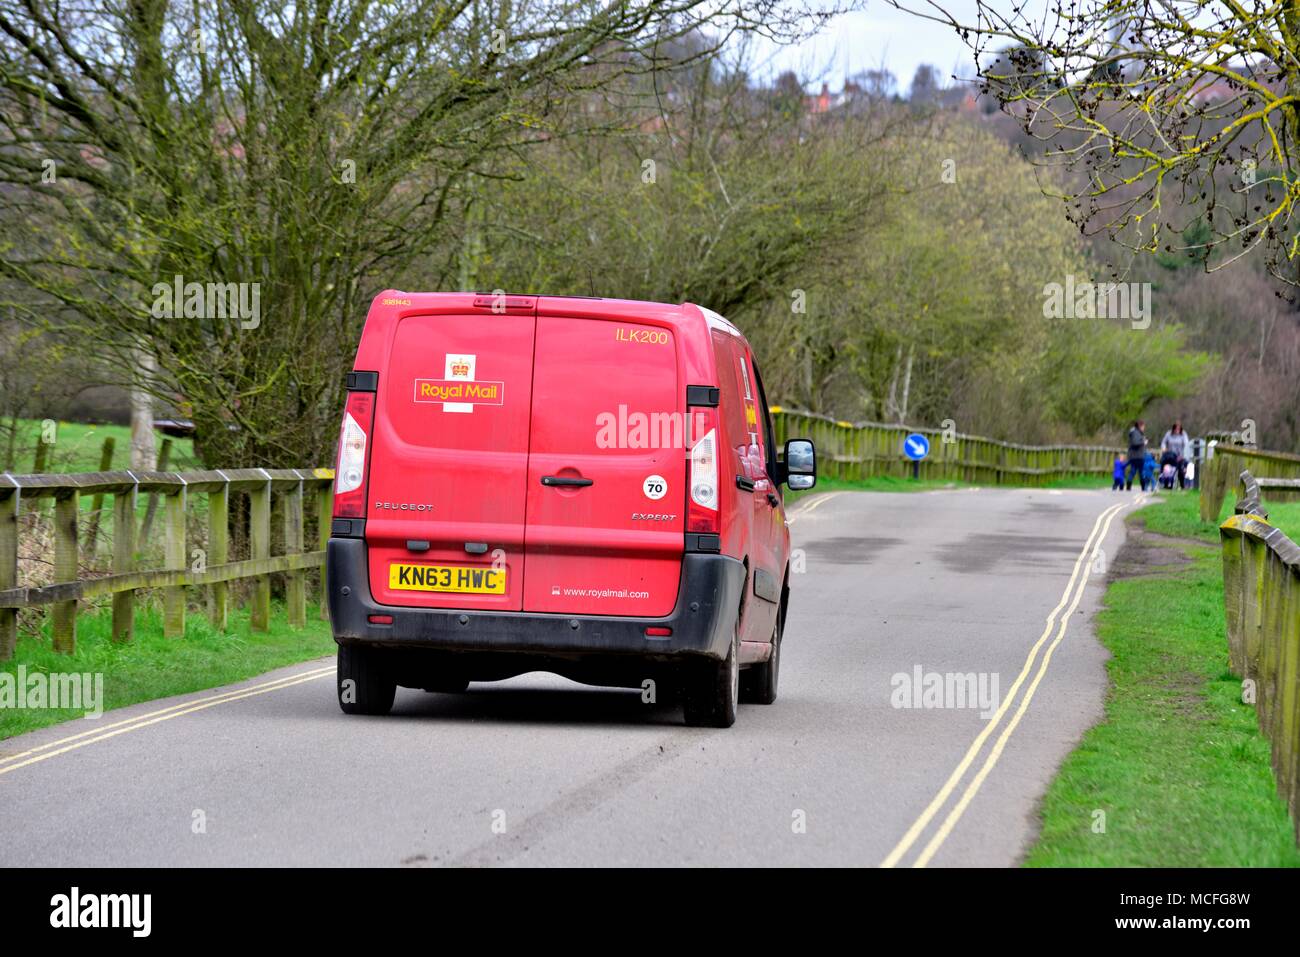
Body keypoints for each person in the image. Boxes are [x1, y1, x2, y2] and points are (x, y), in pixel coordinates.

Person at [1160, 420, 1191, 489]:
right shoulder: (1168, 434)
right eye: (1176, 429)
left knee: (1180, 469)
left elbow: (1186, 446)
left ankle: (1182, 485)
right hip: (1170, 455)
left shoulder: (1183, 435)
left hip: (1180, 456)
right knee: (1166, 467)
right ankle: (1166, 483)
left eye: (1179, 429)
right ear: (1173, 429)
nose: (1177, 430)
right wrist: (1164, 448)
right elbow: (1163, 443)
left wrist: (1182, 456)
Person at [1125, 420, 1147, 490]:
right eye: (1143, 426)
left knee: (1134, 471)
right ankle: (1143, 488)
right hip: (1137, 456)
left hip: (1135, 455)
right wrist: (1143, 442)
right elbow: (1135, 443)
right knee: (1139, 472)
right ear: (1140, 426)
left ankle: (1130, 486)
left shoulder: (1136, 433)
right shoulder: (1136, 433)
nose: (1144, 428)